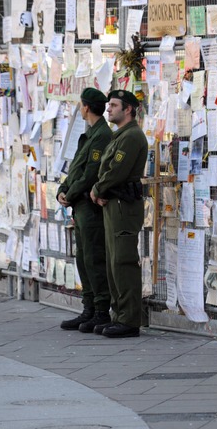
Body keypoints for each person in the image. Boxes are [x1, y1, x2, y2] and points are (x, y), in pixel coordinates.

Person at [90, 90, 148, 338]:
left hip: (124, 206)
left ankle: (129, 320)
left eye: (114, 105)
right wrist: (101, 190)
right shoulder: (119, 136)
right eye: (109, 105)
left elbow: (117, 171)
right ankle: (118, 315)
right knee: (114, 263)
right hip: (113, 204)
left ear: (128, 110)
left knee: (123, 262)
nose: (108, 109)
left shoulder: (132, 136)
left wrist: (97, 189)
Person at [58, 88, 112, 332]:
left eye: (81, 105)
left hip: (89, 207)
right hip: (79, 204)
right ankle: (88, 309)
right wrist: (62, 189)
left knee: (93, 257)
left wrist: (69, 194)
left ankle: (101, 311)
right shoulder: (90, 134)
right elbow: (76, 167)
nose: (80, 109)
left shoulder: (101, 135)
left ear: (87, 107)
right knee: (83, 258)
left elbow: (91, 173)